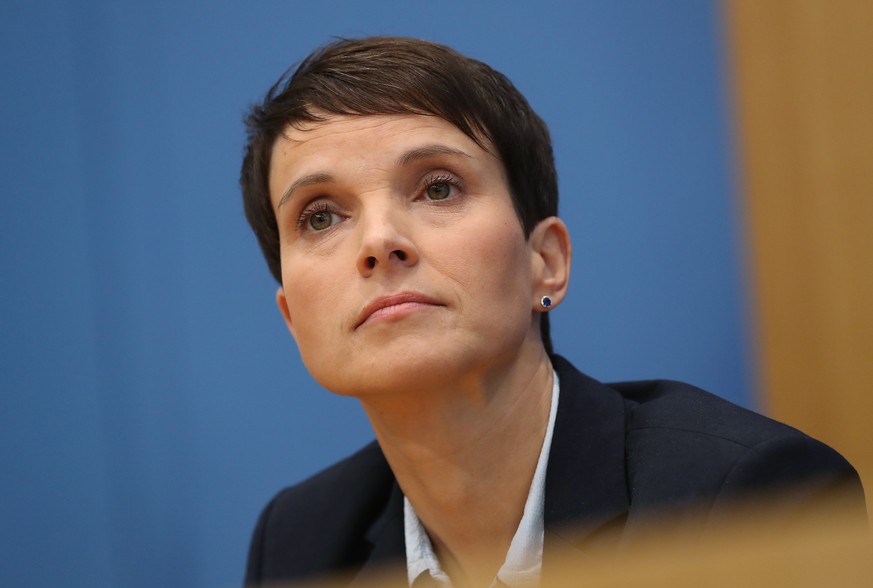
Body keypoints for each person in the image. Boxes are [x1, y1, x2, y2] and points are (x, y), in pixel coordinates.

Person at [240, 37, 864, 588]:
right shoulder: (301, 547)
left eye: (438, 187)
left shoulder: (745, 497)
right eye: (321, 216)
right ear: (294, 318)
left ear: (547, 262)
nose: (379, 242)